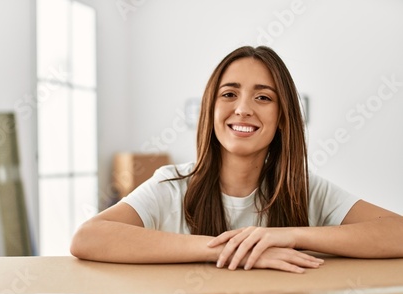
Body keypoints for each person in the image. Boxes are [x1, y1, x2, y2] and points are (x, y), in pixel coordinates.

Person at [70, 45, 403, 273]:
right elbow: (88, 237)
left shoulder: (304, 189)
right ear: (210, 111)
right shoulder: (170, 186)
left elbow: (397, 232)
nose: (243, 108)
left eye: (262, 97)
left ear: (283, 117)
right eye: (229, 94)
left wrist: (290, 236)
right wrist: (230, 250)